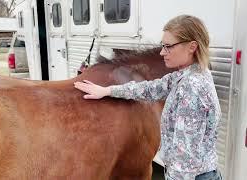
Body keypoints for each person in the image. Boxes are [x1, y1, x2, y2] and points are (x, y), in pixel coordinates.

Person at [74, 15, 222, 180]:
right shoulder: (191, 73)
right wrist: (107, 91)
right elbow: (150, 88)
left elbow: (184, 160)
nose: (162, 52)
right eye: (162, 46)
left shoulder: (191, 87)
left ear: (191, 47)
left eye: (168, 47)